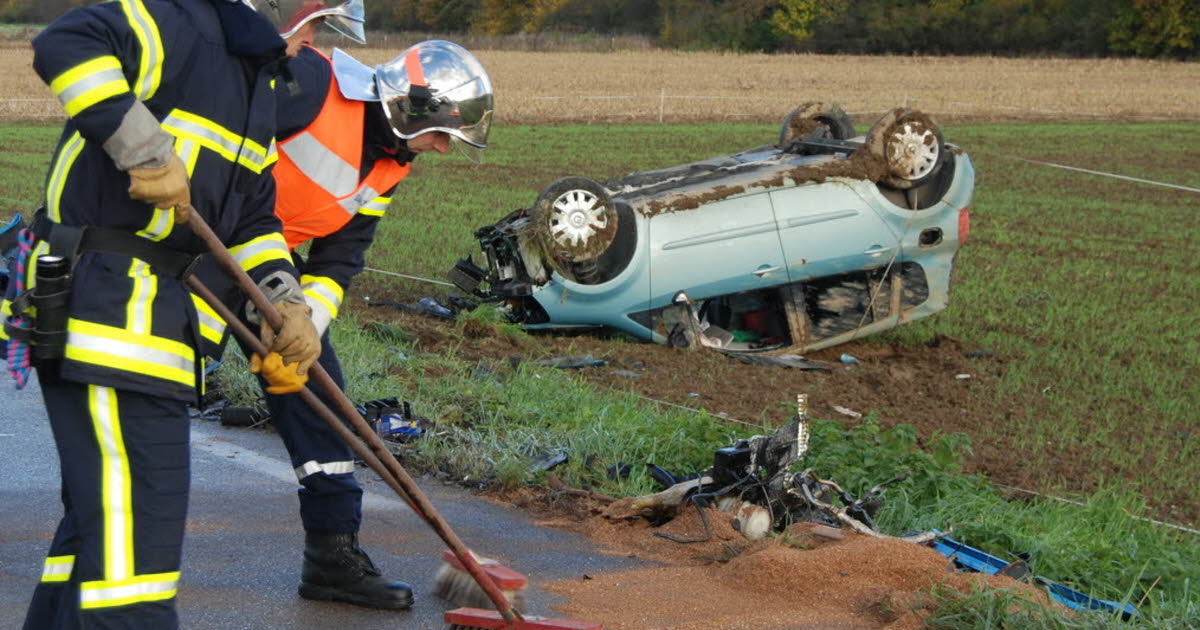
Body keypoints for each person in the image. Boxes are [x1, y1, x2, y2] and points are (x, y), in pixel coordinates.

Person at [0, 1, 322, 628]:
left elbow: (251, 221)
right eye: (316, 27)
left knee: (98, 547)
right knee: (133, 576)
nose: (318, 49)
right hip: (110, 324)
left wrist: (285, 301)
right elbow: (68, 40)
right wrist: (144, 148)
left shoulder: (257, 91)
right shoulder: (182, 23)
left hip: (150, 337)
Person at [192, 2, 494, 611]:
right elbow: (224, 160)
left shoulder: (391, 165)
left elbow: (339, 261)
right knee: (161, 395)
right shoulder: (311, 85)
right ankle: (116, 543)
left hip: (275, 278)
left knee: (325, 398)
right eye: (441, 134)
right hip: (199, 251)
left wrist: (305, 327)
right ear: (413, 111)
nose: (439, 150)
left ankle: (333, 557)